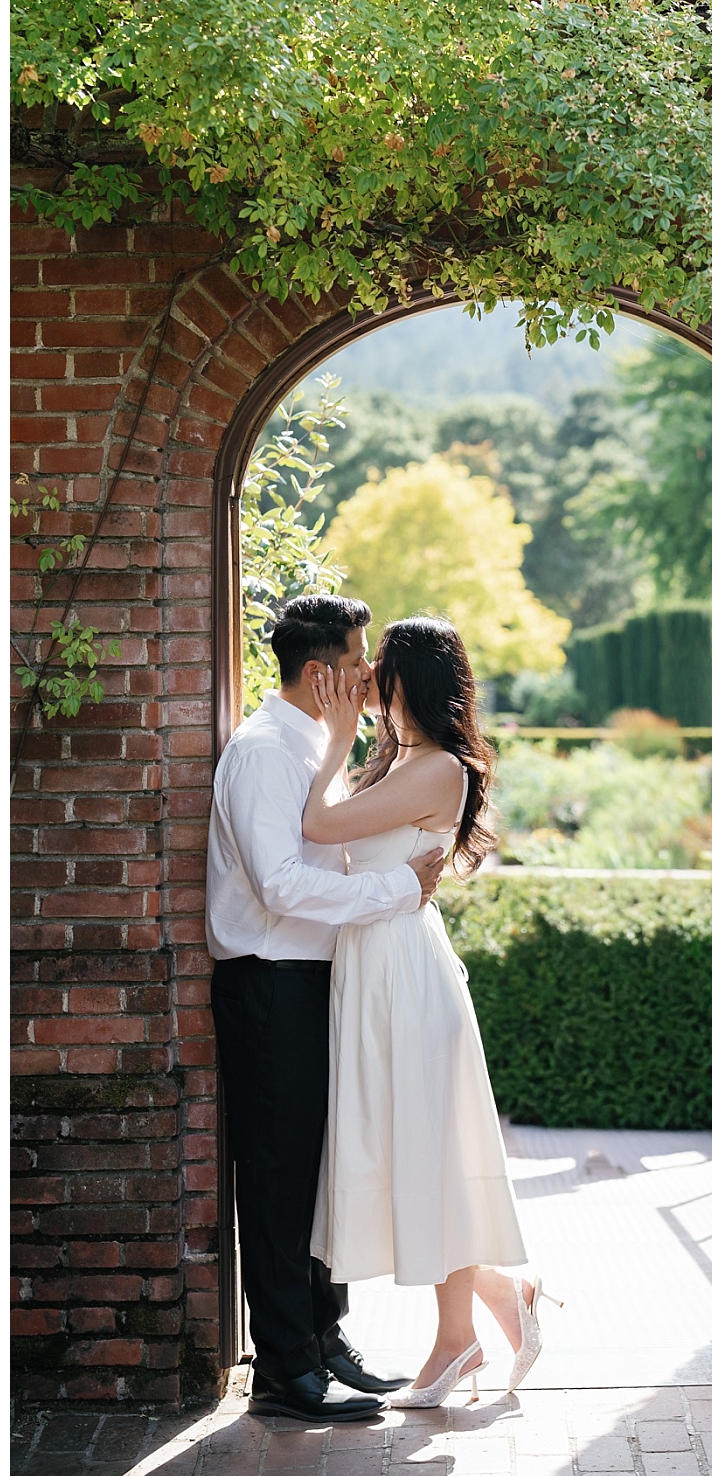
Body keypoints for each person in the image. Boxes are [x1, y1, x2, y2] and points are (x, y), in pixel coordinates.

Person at [302, 615, 561, 1408]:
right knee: (409, 1159)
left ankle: (457, 1340)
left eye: (379, 664)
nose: (367, 676)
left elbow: (318, 824)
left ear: (409, 677)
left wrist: (336, 739)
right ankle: (500, 1302)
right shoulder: (400, 758)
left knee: (428, 1158)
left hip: (405, 977)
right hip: (376, 967)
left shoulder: (439, 767)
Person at [205, 595, 446, 1425]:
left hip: (318, 979)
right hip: (271, 983)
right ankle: (285, 1371)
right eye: (357, 660)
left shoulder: (319, 742)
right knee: (278, 1174)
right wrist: (398, 890)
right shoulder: (265, 752)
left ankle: (324, 1340)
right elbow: (280, 884)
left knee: (318, 1170)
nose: (370, 673)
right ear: (320, 673)